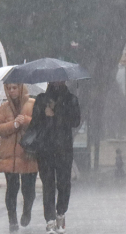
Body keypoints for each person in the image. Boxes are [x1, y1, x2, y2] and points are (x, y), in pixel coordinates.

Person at [30, 81, 80, 234]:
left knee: (64, 184)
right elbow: (34, 123)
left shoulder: (71, 99)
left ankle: (61, 212)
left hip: (64, 149)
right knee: (48, 185)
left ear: (64, 80)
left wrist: (57, 110)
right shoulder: (41, 99)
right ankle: (50, 220)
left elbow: (75, 121)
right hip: (45, 149)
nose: (56, 82)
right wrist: (43, 113)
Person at [0, 83, 37, 232]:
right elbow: (1, 129)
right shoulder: (4, 108)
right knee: (12, 189)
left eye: (14, 87)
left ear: (21, 88)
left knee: (29, 190)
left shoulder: (33, 104)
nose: (11, 91)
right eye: (9, 88)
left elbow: (40, 125)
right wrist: (13, 124)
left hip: (28, 153)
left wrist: (26, 121)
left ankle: (27, 211)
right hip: (10, 156)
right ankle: (12, 220)